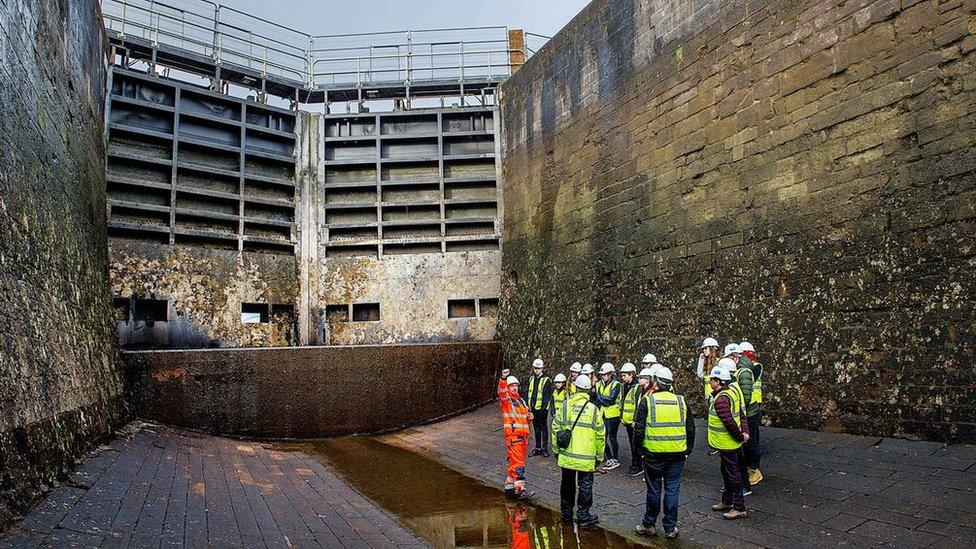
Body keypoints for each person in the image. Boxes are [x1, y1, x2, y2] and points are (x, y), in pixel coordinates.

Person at [633, 367, 695, 538]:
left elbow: (639, 430)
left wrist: (639, 452)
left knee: (653, 490)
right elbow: (690, 428)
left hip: (653, 454)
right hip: (677, 454)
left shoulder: (648, 401)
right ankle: (669, 528)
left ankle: (649, 524)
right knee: (672, 490)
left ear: (655, 382)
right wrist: (687, 450)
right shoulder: (682, 401)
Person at [550, 375, 604, 526]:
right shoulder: (593, 410)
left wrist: (556, 451)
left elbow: (555, 428)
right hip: (586, 457)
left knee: (567, 484)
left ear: (576, 388)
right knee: (585, 484)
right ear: (588, 390)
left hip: (567, 455)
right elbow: (601, 434)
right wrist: (599, 456)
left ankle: (566, 513)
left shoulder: (565, 406)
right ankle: (583, 516)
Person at [707, 365, 749, 520]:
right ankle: (727, 501)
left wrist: (739, 436)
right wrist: (745, 432)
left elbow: (729, 422)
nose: (709, 382)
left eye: (711, 379)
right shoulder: (730, 393)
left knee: (733, 474)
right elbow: (741, 415)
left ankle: (739, 507)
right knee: (727, 473)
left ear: (717, 381)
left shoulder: (721, 399)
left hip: (727, 443)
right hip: (729, 443)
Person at [498, 369, 535, 501]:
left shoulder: (521, 401)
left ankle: (509, 490)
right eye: (511, 386)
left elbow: (523, 418)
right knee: (518, 464)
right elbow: (501, 392)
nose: (514, 388)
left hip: (522, 438)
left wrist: (529, 417)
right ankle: (520, 490)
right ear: (507, 387)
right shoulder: (507, 401)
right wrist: (503, 378)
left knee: (513, 465)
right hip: (514, 438)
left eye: (515, 386)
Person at [723, 346, 753, 495]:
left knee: (735, 463)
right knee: (736, 462)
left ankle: (741, 490)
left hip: (733, 430)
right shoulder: (734, 385)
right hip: (737, 428)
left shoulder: (731, 389)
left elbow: (736, 411)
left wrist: (740, 432)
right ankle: (738, 488)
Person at [739, 341, 764, 485]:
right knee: (753, 437)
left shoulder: (755, 367)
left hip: (752, 405)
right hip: (750, 405)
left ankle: (755, 469)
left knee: (752, 440)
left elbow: (750, 380)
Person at [596, 363, 622, 470]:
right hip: (603, 413)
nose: (603, 376)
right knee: (603, 436)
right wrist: (602, 399)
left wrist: (601, 398)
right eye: (602, 374)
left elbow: (610, 400)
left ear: (610, 374)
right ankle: (609, 457)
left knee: (612, 437)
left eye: (605, 374)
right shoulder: (599, 384)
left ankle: (615, 459)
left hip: (613, 414)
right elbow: (600, 398)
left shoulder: (616, 384)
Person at [619, 363, 643, 476]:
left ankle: (637, 465)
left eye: (625, 375)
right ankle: (635, 463)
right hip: (626, 420)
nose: (623, 378)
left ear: (631, 375)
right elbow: (623, 402)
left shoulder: (637, 387)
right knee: (632, 443)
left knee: (636, 445)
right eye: (622, 375)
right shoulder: (624, 386)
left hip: (633, 422)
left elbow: (638, 405)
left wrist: (635, 419)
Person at [527, 358, 553, 457]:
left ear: (542, 368)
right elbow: (529, 393)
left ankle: (544, 448)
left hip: (542, 410)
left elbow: (547, 396)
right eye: (535, 368)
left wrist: (543, 409)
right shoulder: (531, 379)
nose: (536, 370)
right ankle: (537, 447)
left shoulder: (546, 380)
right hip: (533, 408)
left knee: (544, 428)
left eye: (538, 368)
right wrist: (529, 407)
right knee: (536, 429)